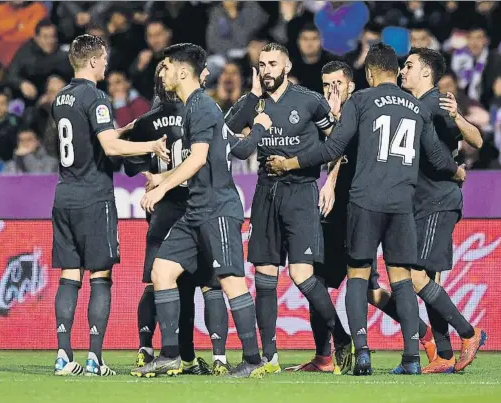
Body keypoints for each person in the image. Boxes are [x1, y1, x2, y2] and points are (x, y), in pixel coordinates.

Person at [266, 43, 465, 375]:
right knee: (339, 283)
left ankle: (392, 345)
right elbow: (430, 153)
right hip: (370, 208)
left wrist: (317, 172)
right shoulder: (399, 106)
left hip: (359, 206)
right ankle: (334, 354)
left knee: (367, 286)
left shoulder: (361, 105)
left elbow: (338, 149)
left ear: (358, 81)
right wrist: (456, 169)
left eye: (337, 84)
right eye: (326, 84)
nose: (331, 90)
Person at [133, 43, 269, 378]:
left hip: (217, 209)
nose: (161, 72)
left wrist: (164, 187)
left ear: (182, 71)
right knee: (161, 271)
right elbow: (208, 156)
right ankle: (170, 355)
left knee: (231, 280)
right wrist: (162, 177)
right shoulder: (193, 107)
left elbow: (197, 159)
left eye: (165, 66)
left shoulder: (202, 107)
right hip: (195, 210)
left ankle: (253, 360)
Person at [50, 34, 168, 377]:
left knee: (69, 275)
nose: (106, 64)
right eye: (103, 59)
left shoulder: (62, 97)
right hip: (93, 197)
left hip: (64, 194)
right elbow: (110, 148)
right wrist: (151, 146)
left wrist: (125, 128)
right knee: (100, 276)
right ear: (92, 61)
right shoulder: (96, 96)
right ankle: (94, 358)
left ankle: (62, 356)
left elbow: (92, 136)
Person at [224, 42, 343, 374]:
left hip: (301, 193)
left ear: (287, 67)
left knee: (302, 275)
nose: (266, 70)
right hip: (266, 192)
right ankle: (270, 358)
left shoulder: (309, 101)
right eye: (262, 64)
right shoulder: (254, 104)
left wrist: (329, 181)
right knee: (264, 275)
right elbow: (223, 133)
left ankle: (343, 340)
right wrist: (249, 97)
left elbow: (336, 145)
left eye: (273, 64)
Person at [126, 62, 233, 377]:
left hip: (165, 210)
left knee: (158, 281)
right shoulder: (203, 112)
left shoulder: (147, 121)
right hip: (200, 205)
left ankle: (150, 350)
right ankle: (218, 358)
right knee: (210, 286)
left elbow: (128, 160)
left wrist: (154, 176)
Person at [401, 47, 487, 373]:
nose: (402, 70)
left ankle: (469, 332)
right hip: (423, 201)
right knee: (430, 279)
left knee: (416, 277)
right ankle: (445, 355)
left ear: (426, 72)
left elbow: (476, 140)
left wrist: (458, 118)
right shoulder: (417, 106)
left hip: (438, 200)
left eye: (409, 66)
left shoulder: (436, 102)